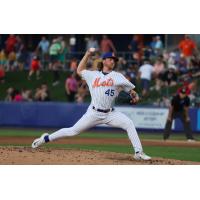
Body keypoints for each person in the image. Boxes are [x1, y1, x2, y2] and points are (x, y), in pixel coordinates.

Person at [32, 48, 151, 161]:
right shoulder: (92, 75)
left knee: (129, 123)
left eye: (114, 60)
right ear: (104, 61)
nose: (113, 61)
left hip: (110, 113)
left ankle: (138, 153)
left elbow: (131, 91)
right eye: (110, 59)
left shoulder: (118, 76)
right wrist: (87, 54)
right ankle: (45, 139)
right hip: (93, 113)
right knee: (72, 131)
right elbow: (79, 70)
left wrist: (135, 96)